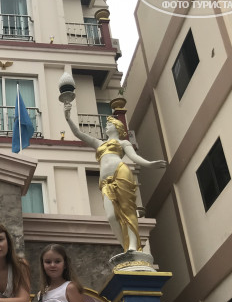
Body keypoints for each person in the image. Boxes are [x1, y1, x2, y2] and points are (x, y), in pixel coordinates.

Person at [65, 107, 165, 252]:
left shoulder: (123, 143)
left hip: (121, 173)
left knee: (127, 209)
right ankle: (125, 247)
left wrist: (149, 164)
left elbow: (134, 157)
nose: (106, 126)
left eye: (109, 124)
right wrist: (68, 118)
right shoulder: (99, 143)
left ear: (117, 127)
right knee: (111, 216)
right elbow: (78, 134)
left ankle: (132, 246)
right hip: (105, 181)